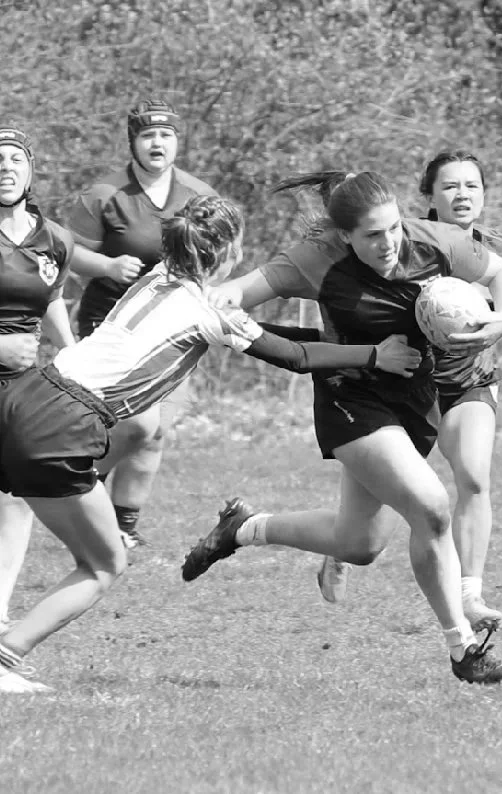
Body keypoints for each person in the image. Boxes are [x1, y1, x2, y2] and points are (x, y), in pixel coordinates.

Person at [0, 193, 420, 694]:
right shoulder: (206, 309)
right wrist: (375, 355)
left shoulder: (155, 279)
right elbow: (295, 355)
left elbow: (270, 335)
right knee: (103, 564)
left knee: (105, 462)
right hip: (65, 423)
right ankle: (6, 656)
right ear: (229, 251)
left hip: (26, 395)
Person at [181, 170, 502, 685]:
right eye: (372, 235)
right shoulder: (315, 259)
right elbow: (235, 294)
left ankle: (242, 528)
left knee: (359, 543)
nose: (389, 244)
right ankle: (464, 649)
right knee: (432, 507)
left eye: (394, 229)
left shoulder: (435, 242)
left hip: (414, 401)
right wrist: (198, 298)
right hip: (351, 400)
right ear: (345, 235)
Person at [317, 151, 502, 631]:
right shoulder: (411, 243)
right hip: (407, 388)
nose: (463, 195)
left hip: (468, 379)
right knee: (372, 525)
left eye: (472, 186)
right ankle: (341, 547)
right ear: (429, 195)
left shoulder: (482, 246)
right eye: (450, 186)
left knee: (473, 476)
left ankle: (470, 594)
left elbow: (499, 285)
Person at [67, 97, 218, 548]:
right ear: (132, 142)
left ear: (178, 141)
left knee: (156, 430)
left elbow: (223, 256)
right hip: (111, 325)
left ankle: (124, 528)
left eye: (166, 135)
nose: (157, 143)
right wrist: (108, 267)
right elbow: (68, 254)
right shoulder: (103, 195)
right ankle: (79, 489)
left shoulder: (200, 196)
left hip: (174, 331)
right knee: (129, 424)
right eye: (148, 135)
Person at [0, 126, 76, 634]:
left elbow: (50, 300)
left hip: (20, 387)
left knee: (14, 496)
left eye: (15, 159)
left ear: (31, 171)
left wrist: (71, 354)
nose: (5, 168)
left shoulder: (55, 239)